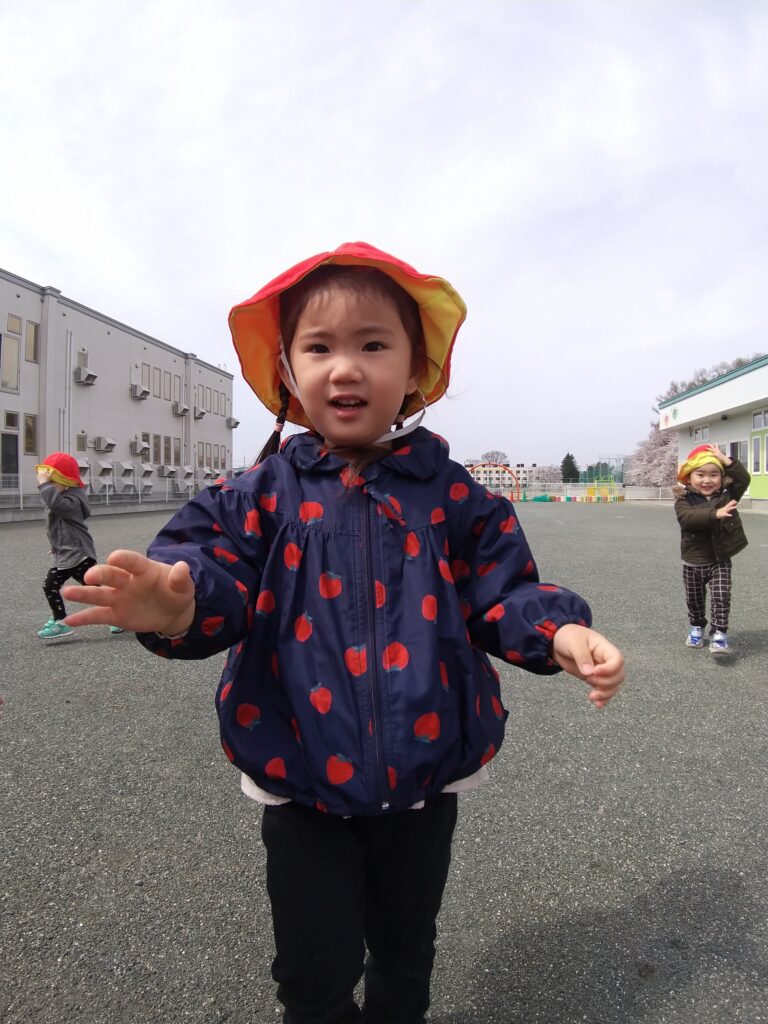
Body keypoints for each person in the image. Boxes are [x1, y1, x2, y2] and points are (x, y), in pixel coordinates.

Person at [63, 242, 625, 1024]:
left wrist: (557, 630)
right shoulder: (256, 494)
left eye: (373, 344)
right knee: (312, 973)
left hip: (427, 774)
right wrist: (177, 608)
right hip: (300, 772)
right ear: (288, 373)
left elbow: (502, 590)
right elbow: (210, 573)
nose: (346, 368)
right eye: (319, 348)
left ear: (415, 369)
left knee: (405, 951)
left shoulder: (452, 495)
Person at [36, 451, 124, 640]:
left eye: (52, 483)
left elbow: (58, 506)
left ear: (66, 481)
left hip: (77, 553)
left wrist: (44, 484)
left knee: (50, 585)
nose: (48, 487)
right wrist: (56, 545)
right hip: (69, 552)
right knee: (94, 589)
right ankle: (118, 612)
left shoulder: (73, 499)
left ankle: (60, 621)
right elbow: (57, 527)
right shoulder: (62, 495)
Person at [673, 442, 750, 653]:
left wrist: (726, 460)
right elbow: (687, 519)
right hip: (693, 560)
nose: (707, 480)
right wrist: (715, 514)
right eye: (700, 475)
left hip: (720, 559)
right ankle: (697, 626)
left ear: (722, 477)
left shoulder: (728, 495)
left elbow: (744, 479)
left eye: (714, 474)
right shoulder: (683, 499)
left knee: (721, 597)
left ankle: (719, 633)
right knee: (694, 599)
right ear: (689, 477)